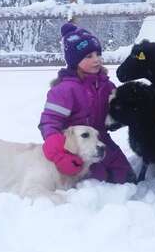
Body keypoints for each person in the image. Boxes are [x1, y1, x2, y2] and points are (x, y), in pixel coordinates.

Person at [39, 22, 135, 184]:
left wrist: (125, 113)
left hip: (102, 141)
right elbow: (50, 123)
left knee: (125, 177)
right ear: (75, 61)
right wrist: (59, 154)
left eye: (98, 54)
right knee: (95, 182)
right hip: (78, 146)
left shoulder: (106, 85)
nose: (96, 60)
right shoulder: (64, 90)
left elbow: (114, 113)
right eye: (88, 56)